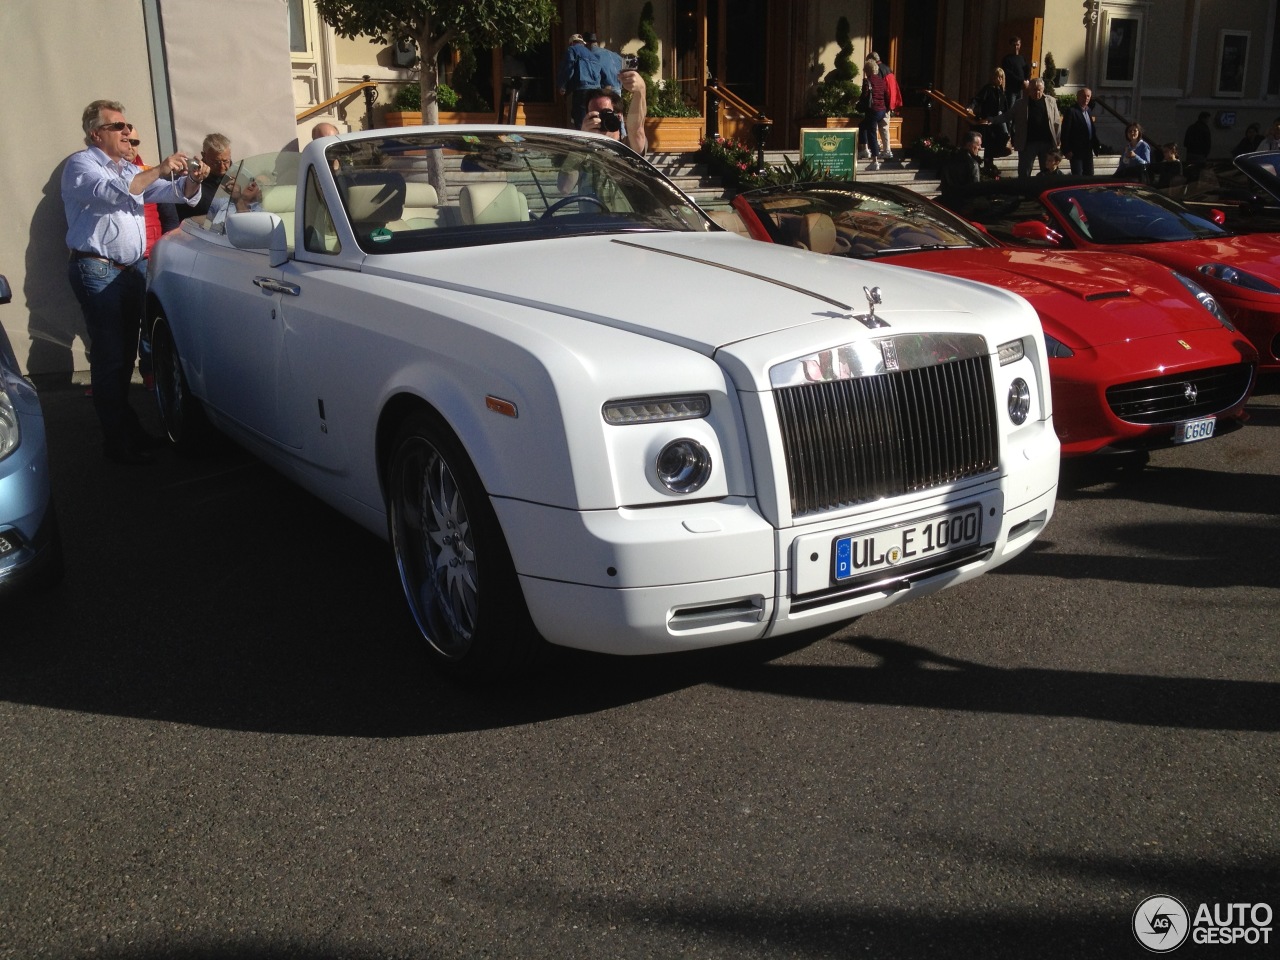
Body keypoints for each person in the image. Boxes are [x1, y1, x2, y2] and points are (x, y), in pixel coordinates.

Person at [61, 99, 207, 463]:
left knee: (124, 356)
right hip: (97, 268)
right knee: (112, 357)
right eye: (118, 127)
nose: (128, 133)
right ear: (96, 134)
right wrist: (157, 168)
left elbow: (171, 194)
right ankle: (118, 442)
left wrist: (192, 179)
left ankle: (128, 432)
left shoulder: (129, 167)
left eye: (128, 127)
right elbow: (115, 192)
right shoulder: (81, 165)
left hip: (128, 269)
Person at [557, 76, 649, 197]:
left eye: (605, 113)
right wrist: (582, 141)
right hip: (593, 216)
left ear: (619, 116)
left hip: (625, 216)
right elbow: (564, 188)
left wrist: (640, 91)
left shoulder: (627, 145)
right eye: (595, 114)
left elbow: (636, 129)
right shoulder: (582, 152)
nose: (600, 119)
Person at [988, 77, 1060, 178]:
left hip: (1046, 142)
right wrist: (992, 120)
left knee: (1047, 172)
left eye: (1039, 89)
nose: (1037, 92)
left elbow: (1056, 122)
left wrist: (1057, 139)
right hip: (1027, 143)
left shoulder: (1051, 101)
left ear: (1043, 89)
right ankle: (1023, 192)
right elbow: (1008, 116)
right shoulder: (1020, 103)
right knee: (1024, 171)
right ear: (1029, 90)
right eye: (1034, 89)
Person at [175, 133, 233, 221]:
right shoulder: (192, 178)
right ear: (204, 155)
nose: (222, 167)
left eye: (226, 161)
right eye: (216, 162)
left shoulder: (238, 176)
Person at [969, 67, 1011, 173]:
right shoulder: (988, 89)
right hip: (989, 119)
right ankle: (988, 162)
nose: (999, 79)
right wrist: (971, 107)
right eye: (997, 76)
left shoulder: (1002, 91)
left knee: (1004, 136)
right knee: (989, 142)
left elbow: (1005, 108)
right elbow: (977, 99)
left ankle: (992, 158)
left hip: (999, 119)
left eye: (1001, 77)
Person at [557, 33, 602, 129]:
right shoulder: (593, 55)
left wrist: (563, 86)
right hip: (596, 90)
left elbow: (568, 69)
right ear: (583, 43)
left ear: (572, 43)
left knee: (580, 119)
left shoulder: (572, 49)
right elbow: (599, 74)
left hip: (582, 90)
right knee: (593, 117)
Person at [858, 57, 890, 170]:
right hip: (882, 111)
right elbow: (886, 95)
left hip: (873, 110)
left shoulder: (867, 81)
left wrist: (858, 102)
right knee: (862, 126)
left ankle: (874, 161)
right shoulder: (881, 81)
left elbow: (865, 95)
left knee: (872, 133)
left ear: (867, 70)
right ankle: (865, 150)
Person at [1060, 87, 1101, 175]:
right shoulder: (1071, 111)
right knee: (1078, 176)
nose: (1086, 98)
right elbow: (1065, 132)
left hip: (1088, 150)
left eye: (1088, 96)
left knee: (1089, 175)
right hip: (1076, 151)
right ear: (1078, 97)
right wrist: (1067, 149)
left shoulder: (1088, 111)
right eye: (1084, 96)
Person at [871, 52, 902, 160]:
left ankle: (876, 148)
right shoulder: (888, 69)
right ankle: (887, 150)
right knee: (885, 127)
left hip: (880, 103)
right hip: (888, 103)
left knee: (875, 126)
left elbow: (878, 88)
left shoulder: (877, 70)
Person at [941, 131, 984, 197]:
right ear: (969, 145)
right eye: (978, 145)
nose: (980, 148)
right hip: (965, 203)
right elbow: (975, 188)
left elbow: (944, 184)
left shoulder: (950, 159)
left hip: (949, 201)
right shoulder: (972, 163)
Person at [1001, 36, 1029, 111]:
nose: (1016, 47)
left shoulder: (1022, 58)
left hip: (1020, 89)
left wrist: (1027, 80)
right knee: (1011, 109)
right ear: (1010, 46)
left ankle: (1016, 123)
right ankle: (1009, 123)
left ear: (1020, 45)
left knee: (1019, 110)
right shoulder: (1007, 59)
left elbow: (1025, 71)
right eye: (1014, 45)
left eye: (1017, 45)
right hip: (1011, 90)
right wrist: (1021, 81)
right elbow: (1009, 74)